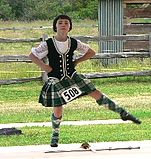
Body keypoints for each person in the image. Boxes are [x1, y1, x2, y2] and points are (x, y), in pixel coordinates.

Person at [29, 14, 141, 147]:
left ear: (70, 27)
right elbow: (32, 55)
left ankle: (123, 113)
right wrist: (45, 67)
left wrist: (77, 61)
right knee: (58, 108)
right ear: (55, 26)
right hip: (56, 78)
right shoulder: (47, 44)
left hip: (72, 76)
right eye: (60, 23)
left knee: (96, 93)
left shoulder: (74, 42)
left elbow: (91, 52)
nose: (63, 25)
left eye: (66, 23)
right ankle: (55, 134)